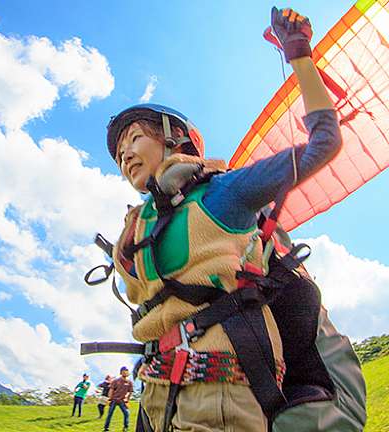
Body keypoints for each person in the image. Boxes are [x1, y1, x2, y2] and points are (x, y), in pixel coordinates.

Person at [105, 8, 342, 432]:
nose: (124, 155)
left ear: (175, 138)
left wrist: (299, 52)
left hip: (221, 398)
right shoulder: (138, 227)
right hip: (156, 396)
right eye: (119, 152)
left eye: (135, 138)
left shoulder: (225, 192)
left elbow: (323, 142)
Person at [104, 366, 134, 432]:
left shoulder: (130, 382)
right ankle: (106, 428)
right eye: (123, 371)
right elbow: (111, 390)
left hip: (122, 400)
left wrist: (127, 399)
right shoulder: (115, 381)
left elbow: (130, 392)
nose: (125, 372)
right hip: (114, 400)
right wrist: (109, 398)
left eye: (126, 371)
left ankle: (125, 427)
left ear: (128, 373)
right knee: (110, 414)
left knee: (126, 413)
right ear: (121, 373)